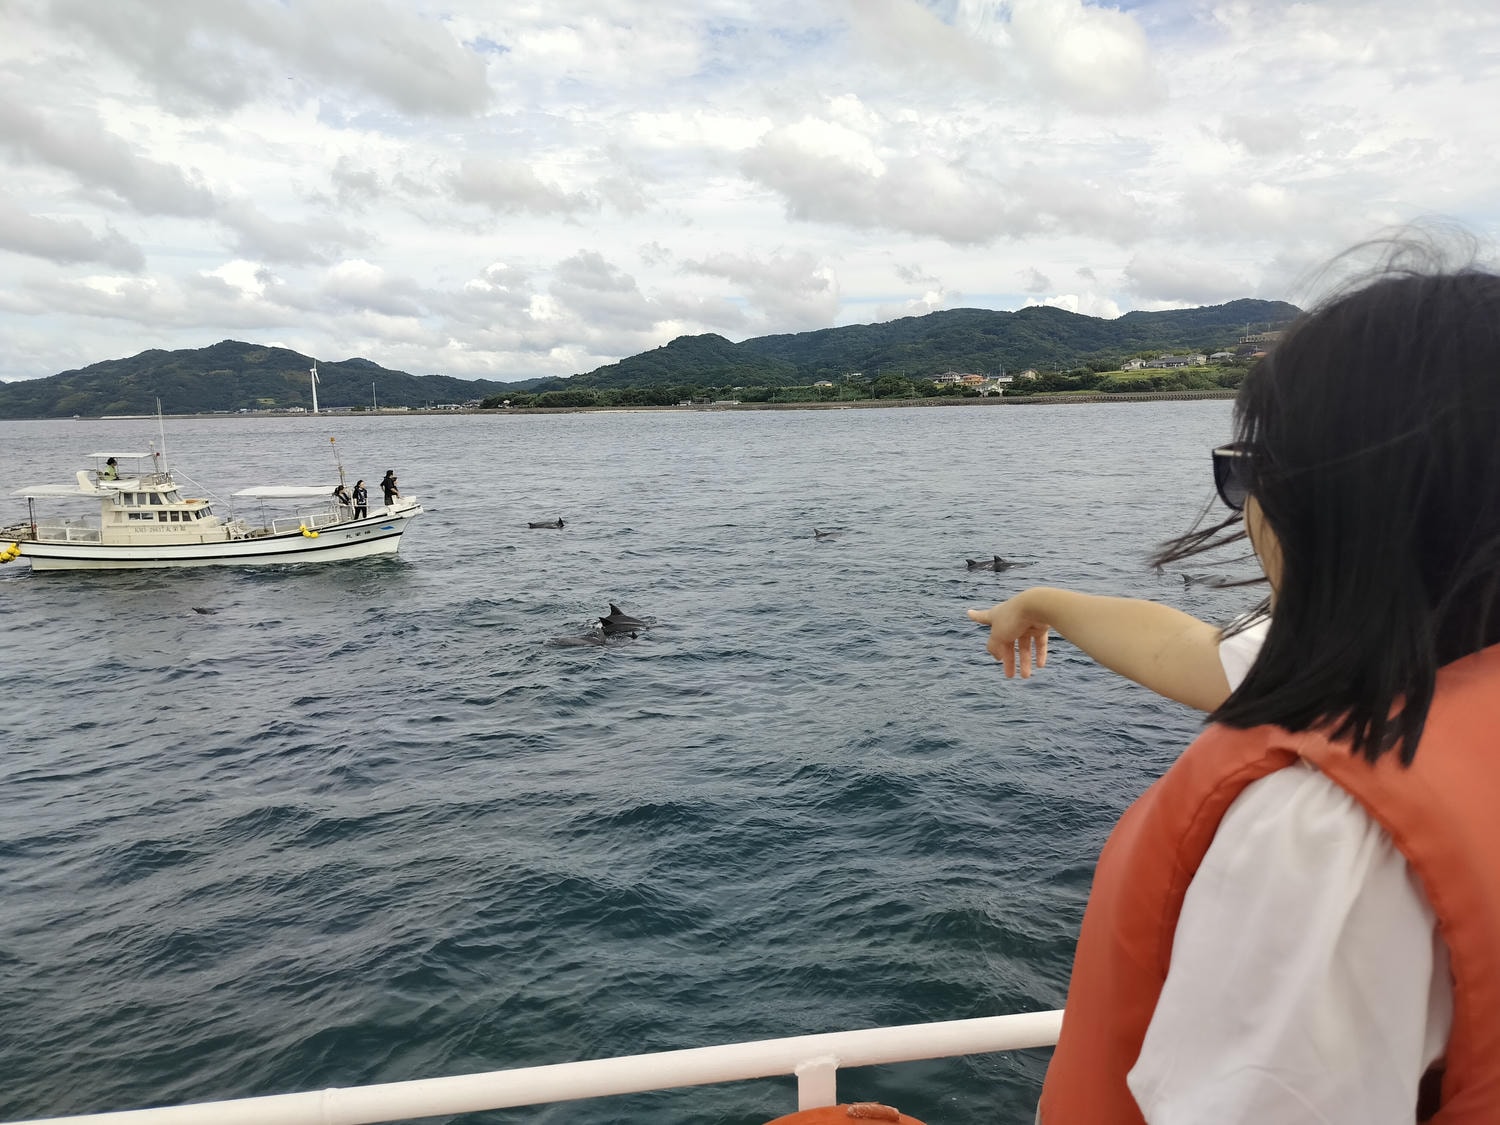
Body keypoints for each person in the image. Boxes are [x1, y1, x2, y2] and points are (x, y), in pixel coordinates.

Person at [971, 248, 1500, 1124]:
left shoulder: (1328, 831)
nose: (1245, 510)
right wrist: (1043, 601)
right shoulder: (1431, 671)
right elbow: (1194, 650)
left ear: (1341, 501)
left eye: (1248, 472)